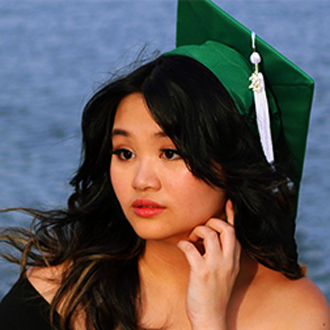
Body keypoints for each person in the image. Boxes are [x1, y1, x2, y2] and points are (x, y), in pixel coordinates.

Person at [0, 0, 329, 329]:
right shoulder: (58, 295)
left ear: (233, 163)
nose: (141, 180)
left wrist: (210, 320)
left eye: (170, 152)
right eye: (125, 153)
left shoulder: (295, 313)